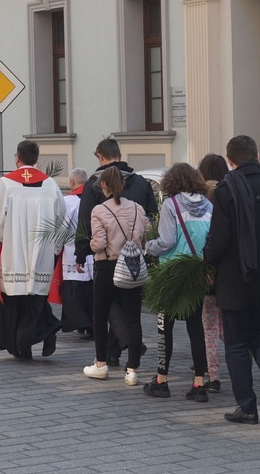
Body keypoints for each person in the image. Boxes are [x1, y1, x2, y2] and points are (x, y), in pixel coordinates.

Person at [205, 135, 260, 424]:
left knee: (236, 343)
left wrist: (206, 259)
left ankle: (247, 406)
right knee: (259, 334)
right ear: (256, 154)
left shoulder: (225, 191)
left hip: (235, 279)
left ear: (230, 160)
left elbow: (218, 241)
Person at [75, 137, 157, 365]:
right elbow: (152, 216)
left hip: (106, 256)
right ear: (119, 155)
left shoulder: (95, 183)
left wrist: (81, 252)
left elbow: (85, 220)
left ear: (100, 156)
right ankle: (114, 351)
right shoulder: (141, 183)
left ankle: (122, 345)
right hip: (135, 256)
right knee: (127, 305)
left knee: (107, 304)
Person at [0, 141, 65, 358]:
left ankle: (24, 346)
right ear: (36, 158)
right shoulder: (50, 184)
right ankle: (41, 333)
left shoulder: (6, 183)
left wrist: (5, 237)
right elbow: (61, 216)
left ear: (17, 158)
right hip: (41, 251)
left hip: (15, 250)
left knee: (15, 298)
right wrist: (52, 245)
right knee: (35, 296)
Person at [144, 163, 212, 402]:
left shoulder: (171, 205)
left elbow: (167, 241)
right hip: (196, 273)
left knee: (165, 328)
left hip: (171, 275)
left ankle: (161, 380)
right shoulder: (209, 206)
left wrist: (148, 246)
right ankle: (199, 384)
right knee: (196, 329)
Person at [82, 166, 148, 385]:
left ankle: (101, 364)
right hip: (132, 266)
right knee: (133, 318)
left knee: (100, 317)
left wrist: (91, 244)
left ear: (104, 185)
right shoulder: (138, 208)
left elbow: (99, 243)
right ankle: (132, 370)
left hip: (107, 266)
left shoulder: (100, 211)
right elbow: (145, 235)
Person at [198, 154, 228, 393]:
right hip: (229, 271)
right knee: (227, 322)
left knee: (209, 327)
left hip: (208, 270)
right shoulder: (230, 193)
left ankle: (214, 375)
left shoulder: (202, 198)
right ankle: (243, 354)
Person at [59, 168, 94, 336]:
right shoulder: (95, 199)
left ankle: (82, 324)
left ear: (72, 183)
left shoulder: (68, 201)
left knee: (75, 292)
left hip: (73, 253)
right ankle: (91, 324)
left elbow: (62, 229)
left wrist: (56, 249)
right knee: (90, 291)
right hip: (92, 254)